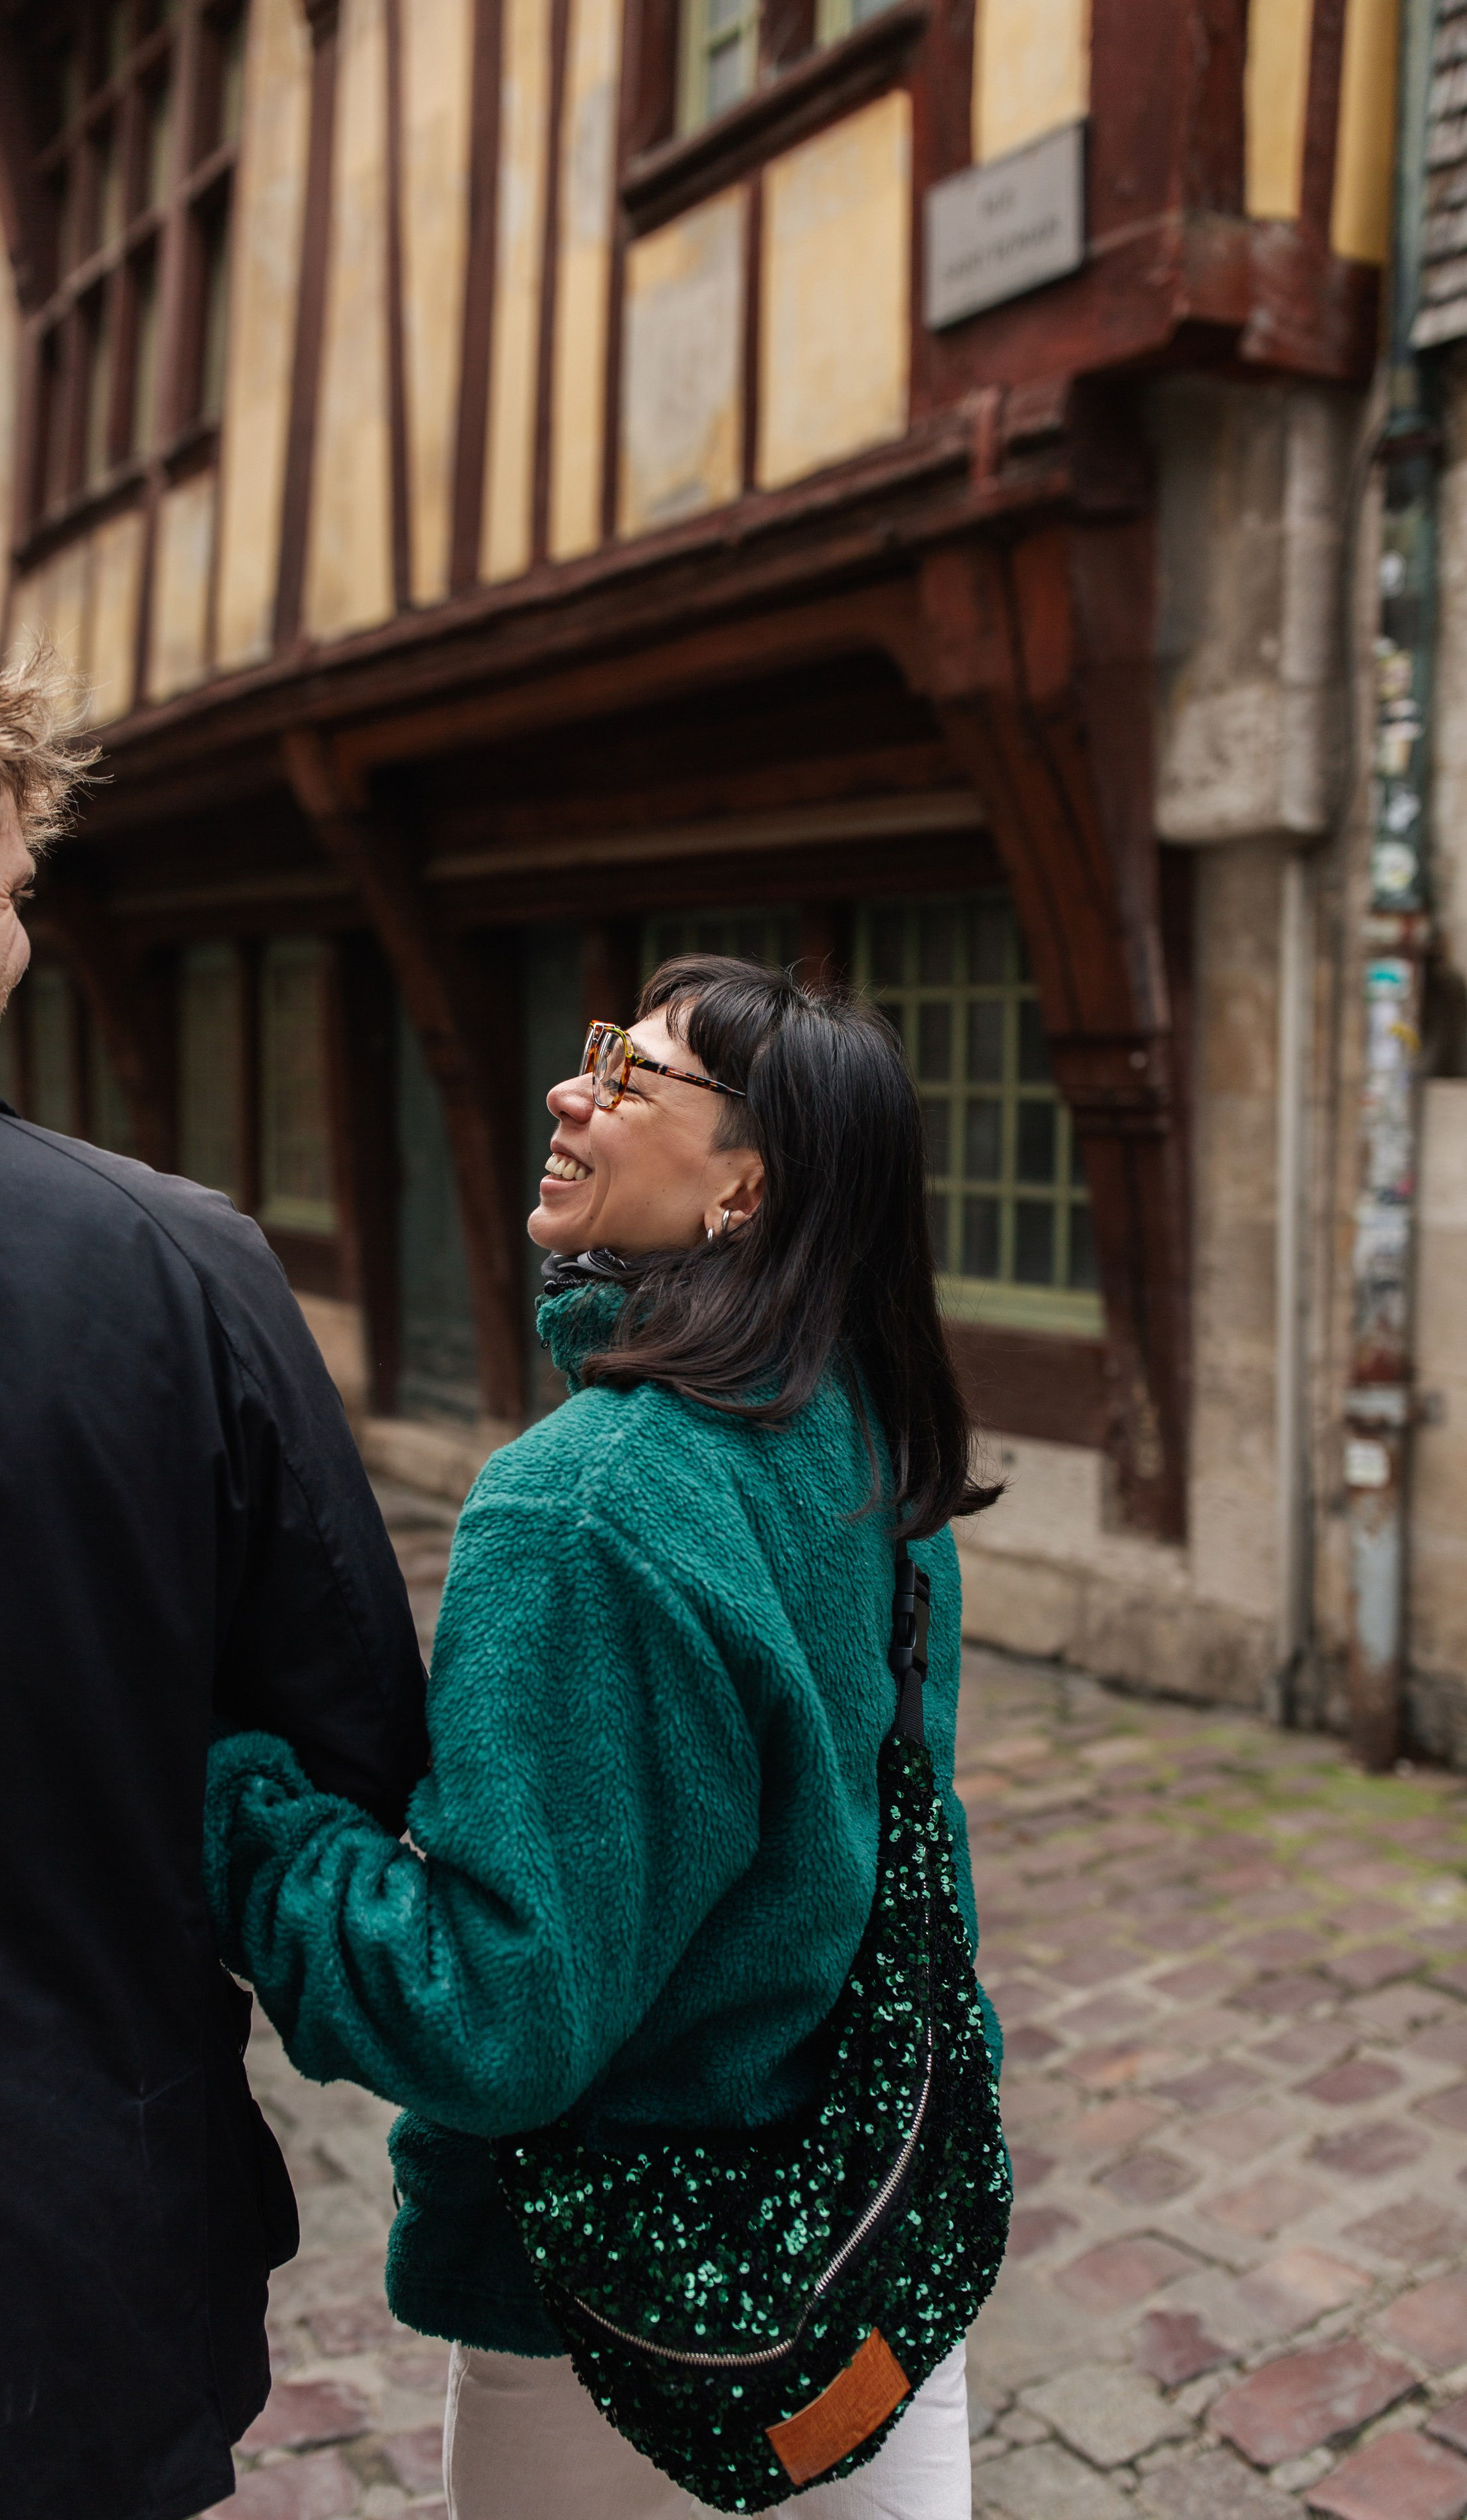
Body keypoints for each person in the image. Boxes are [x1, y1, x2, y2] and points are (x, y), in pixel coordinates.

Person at [207, 956, 1002, 2520]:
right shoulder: (865, 1433)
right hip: (865, 2244)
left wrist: (231, 1799)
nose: (571, 1094)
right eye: (594, 1055)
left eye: (634, 1079)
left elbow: (490, 2019)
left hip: (628, 2331)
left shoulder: (589, 1503)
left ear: (742, 1190)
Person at [0, 610, 430, 2520]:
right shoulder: (175, 1266)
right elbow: (360, 1762)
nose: (20, 943)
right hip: (46, 2295)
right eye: (6, 893)